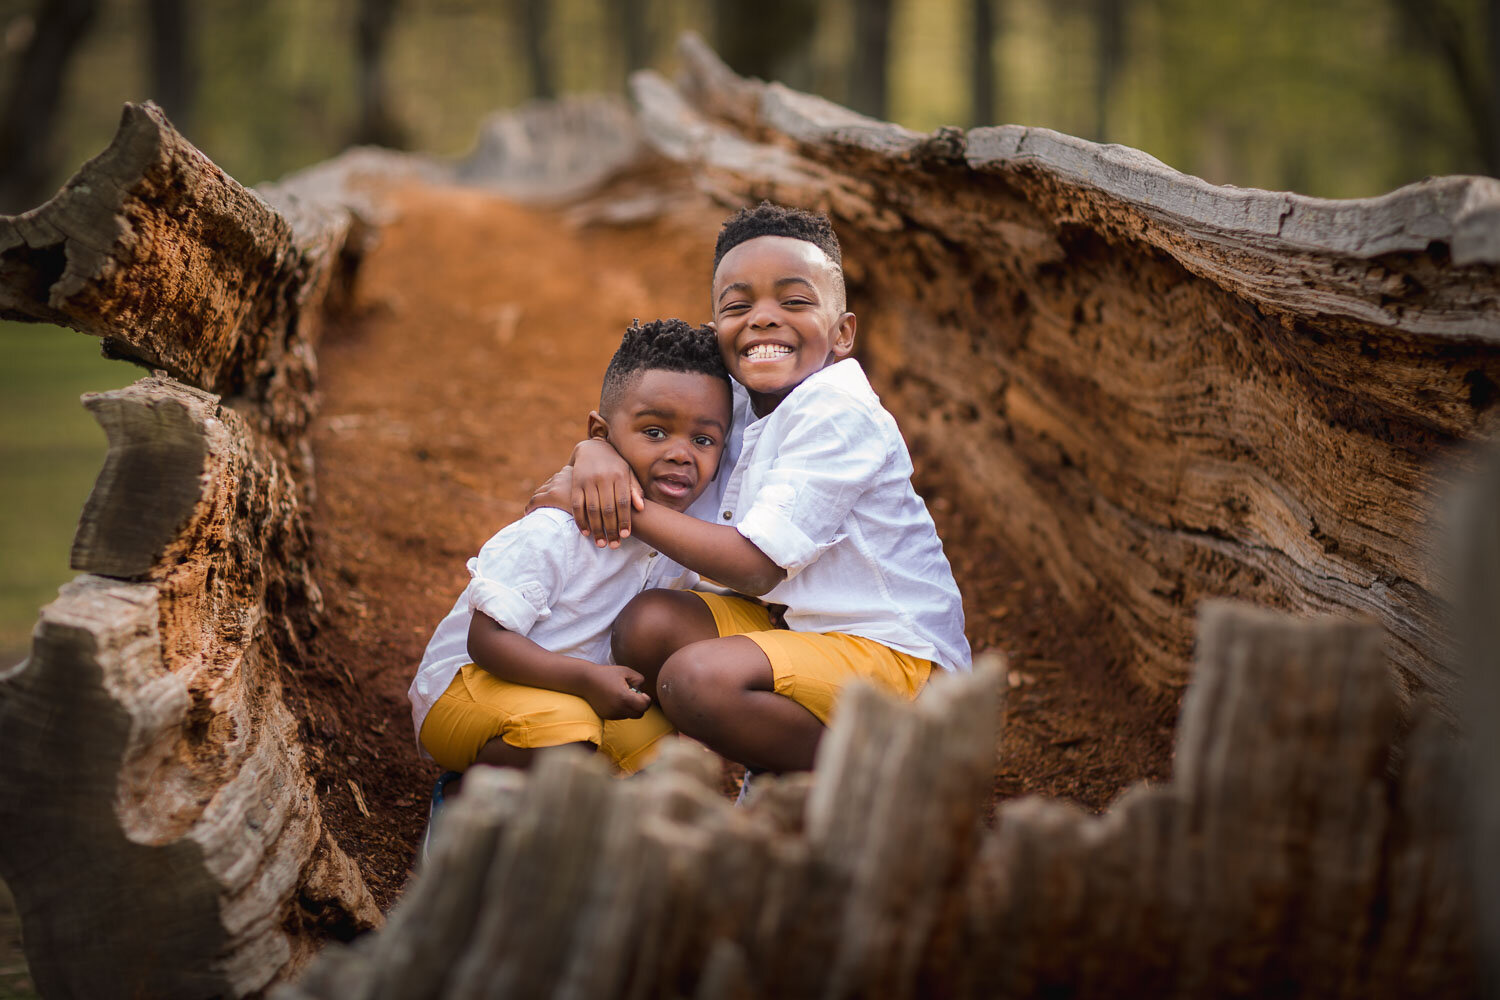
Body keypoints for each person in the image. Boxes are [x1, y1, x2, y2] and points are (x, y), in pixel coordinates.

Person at [530, 203, 971, 777]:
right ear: (718, 333)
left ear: (842, 334)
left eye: (794, 302)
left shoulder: (838, 412)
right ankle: (759, 761)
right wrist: (593, 452)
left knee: (696, 681)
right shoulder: (734, 405)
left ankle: (877, 780)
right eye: (739, 306)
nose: (764, 319)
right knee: (648, 624)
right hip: (801, 631)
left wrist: (625, 510)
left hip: (896, 662)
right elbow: (645, 429)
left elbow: (756, 568)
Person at [407, 318, 733, 790]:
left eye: (703, 440)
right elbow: (487, 640)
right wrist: (584, 680)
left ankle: (577, 827)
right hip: (468, 690)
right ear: (600, 433)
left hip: (571, 697)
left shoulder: (678, 538)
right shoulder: (556, 531)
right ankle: (466, 798)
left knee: (661, 752)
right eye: (655, 431)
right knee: (568, 735)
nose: (682, 454)